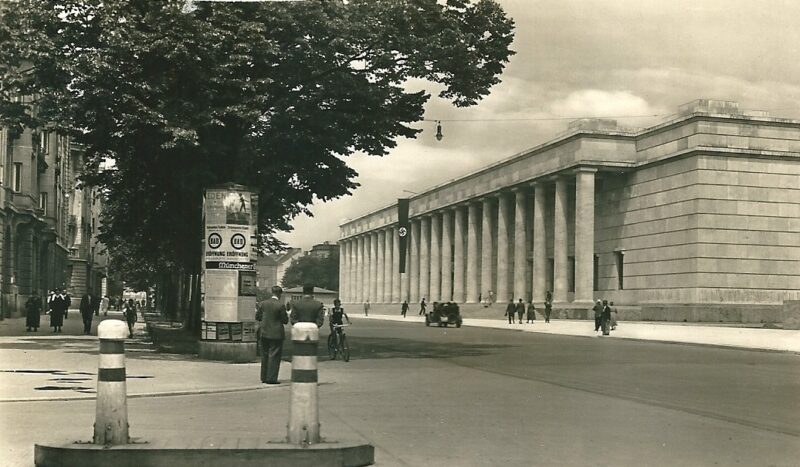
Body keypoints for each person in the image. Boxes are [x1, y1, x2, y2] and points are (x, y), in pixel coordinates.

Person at [256, 286, 288, 384]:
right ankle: (271, 378)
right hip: (276, 333)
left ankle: (264, 377)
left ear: (272, 292)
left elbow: (258, 316)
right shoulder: (280, 305)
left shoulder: (263, 304)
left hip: (264, 332)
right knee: (274, 355)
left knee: (264, 355)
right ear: (280, 294)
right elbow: (285, 320)